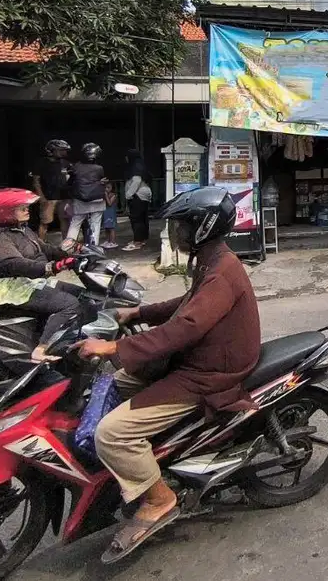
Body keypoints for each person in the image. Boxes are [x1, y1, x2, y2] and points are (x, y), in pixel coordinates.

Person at [74, 187, 261, 565]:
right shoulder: (210, 260)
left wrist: (115, 348)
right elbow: (187, 304)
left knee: (111, 433)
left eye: (180, 226)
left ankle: (160, 498)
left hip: (207, 373)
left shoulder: (221, 269)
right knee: (113, 383)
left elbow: (187, 325)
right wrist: (140, 312)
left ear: (202, 227)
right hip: (195, 359)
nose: (175, 233)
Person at [0, 188, 84, 361]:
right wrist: (51, 267)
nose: (26, 210)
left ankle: (66, 338)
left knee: (80, 294)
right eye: (21, 208)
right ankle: (41, 350)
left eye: (25, 207)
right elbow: (18, 265)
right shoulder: (0, 239)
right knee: (70, 304)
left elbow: (46, 249)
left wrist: (71, 254)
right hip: (14, 288)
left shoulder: (23, 230)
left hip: (31, 283)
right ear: (5, 213)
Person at [64, 143, 107, 249]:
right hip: (97, 199)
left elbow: (69, 183)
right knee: (95, 224)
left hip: (80, 199)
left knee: (75, 222)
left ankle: (68, 248)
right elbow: (102, 180)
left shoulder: (75, 167)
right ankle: (93, 248)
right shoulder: (99, 168)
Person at [30, 139, 71, 241]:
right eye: (61, 150)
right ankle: (41, 246)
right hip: (48, 198)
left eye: (64, 150)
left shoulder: (65, 163)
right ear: (51, 150)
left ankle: (66, 245)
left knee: (65, 221)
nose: (64, 152)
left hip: (64, 197)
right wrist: (41, 198)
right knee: (45, 223)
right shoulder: (41, 163)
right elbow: (36, 182)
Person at [123, 149, 153, 251]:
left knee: (136, 219)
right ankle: (142, 239)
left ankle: (137, 242)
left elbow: (136, 180)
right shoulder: (141, 165)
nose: (126, 159)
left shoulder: (135, 168)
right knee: (143, 218)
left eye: (127, 156)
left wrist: (128, 194)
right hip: (144, 194)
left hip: (138, 195)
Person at [100, 181, 119, 249]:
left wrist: (106, 195)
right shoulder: (105, 194)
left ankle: (113, 242)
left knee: (111, 228)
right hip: (105, 212)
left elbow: (109, 203)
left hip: (111, 212)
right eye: (105, 187)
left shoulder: (113, 195)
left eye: (108, 187)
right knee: (106, 227)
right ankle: (108, 241)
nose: (106, 189)